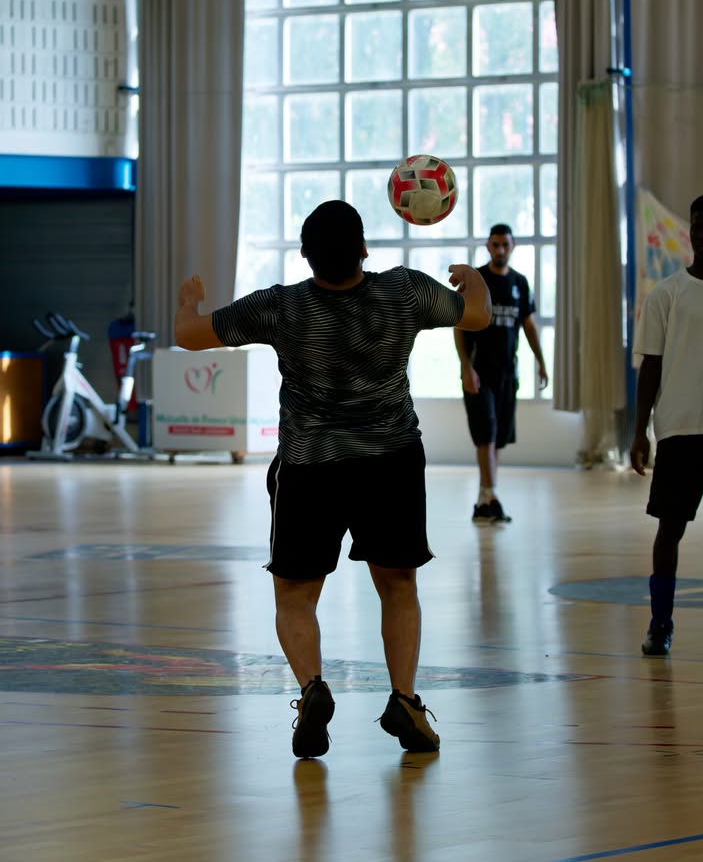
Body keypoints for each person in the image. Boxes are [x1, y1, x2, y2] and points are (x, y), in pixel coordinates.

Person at [174, 199, 492, 757]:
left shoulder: (281, 306)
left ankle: (313, 689)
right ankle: (404, 700)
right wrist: (473, 280)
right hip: (391, 461)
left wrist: (188, 303)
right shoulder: (404, 291)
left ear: (305, 256)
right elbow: (478, 316)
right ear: (364, 249)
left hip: (309, 467)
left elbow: (190, 335)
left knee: (295, 594)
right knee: (398, 586)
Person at [630, 192, 703, 656]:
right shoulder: (666, 294)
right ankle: (659, 623)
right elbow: (651, 367)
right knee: (670, 529)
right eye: (698, 226)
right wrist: (639, 432)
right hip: (681, 428)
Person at [454, 223, 548, 525]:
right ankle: (489, 496)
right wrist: (466, 367)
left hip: (508, 373)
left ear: (512, 246)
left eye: (505, 245)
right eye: (495, 245)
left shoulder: (519, 282)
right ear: (488, 246)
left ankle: (485, 499)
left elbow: (529, 325)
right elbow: (460, 325)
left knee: (498, 440)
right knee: (486, 436)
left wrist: (541, 361)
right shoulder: (477, 281)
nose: (500, 250)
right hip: (480, 373)